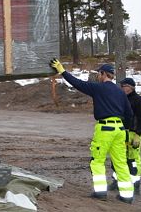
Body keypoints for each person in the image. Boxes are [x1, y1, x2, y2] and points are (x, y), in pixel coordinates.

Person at [50, 59, 135, 203]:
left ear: (103, 74)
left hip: (105, 129)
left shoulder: (98, 88)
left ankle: (100, 192)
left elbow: (78, 84)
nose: (98, 76)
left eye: (99, 74)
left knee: (97, 161)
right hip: (120, 130)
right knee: (120, 162)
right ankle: (127, 196)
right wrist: (128, 131)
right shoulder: (120, 92)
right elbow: (129, 114)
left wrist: (62, 70)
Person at [119, 77, 141, 195]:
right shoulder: (121, 99)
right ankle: (117, 180)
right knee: (120, 158)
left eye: (125, 86)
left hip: (133, 133)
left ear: (131, 87)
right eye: (122, 87)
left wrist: (138, 135)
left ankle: (136, 184)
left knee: (134, 159)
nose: (123, 89)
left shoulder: (138, 100)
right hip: (121, 133)